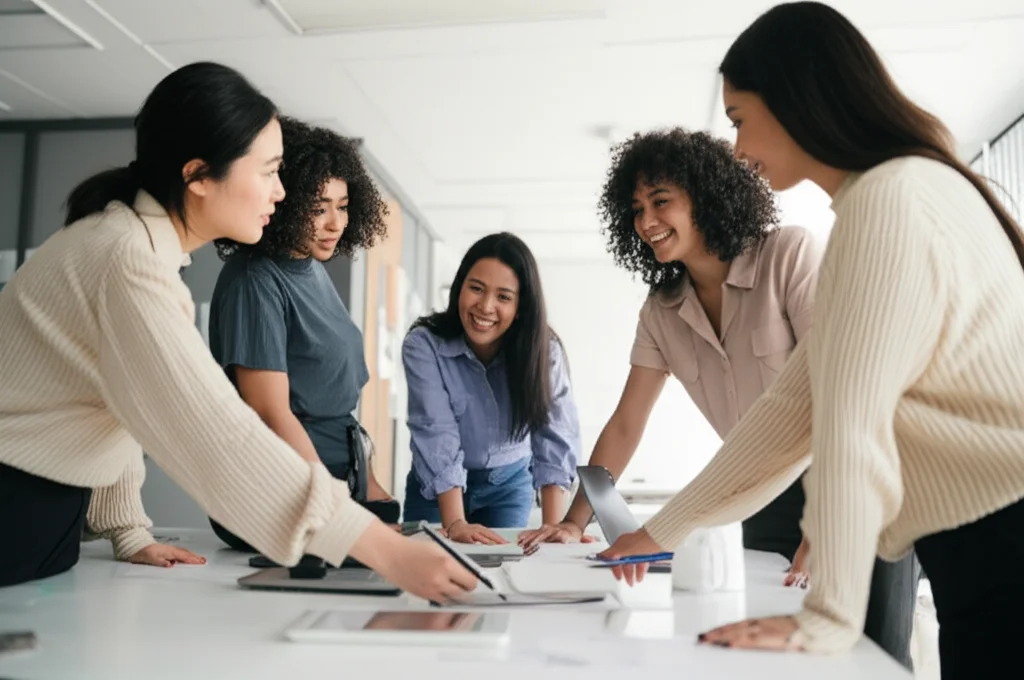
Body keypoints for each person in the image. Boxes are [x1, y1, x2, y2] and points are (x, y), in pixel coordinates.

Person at [598, 3, 1024, 678]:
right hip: (982, 539)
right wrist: (659, 532)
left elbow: (851, 427)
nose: (736, 148)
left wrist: (828, 619)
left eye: (739, 119)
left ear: (795, 95)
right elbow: (789, 414)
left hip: (1003, 537)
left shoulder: (887, 200)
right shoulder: (894, 191)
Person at [0, 61, 476, 604]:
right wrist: (384, 551)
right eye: (270, 171)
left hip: (47, 506)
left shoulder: (134, 247)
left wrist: (126, 528)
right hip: (16, 498)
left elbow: (112, 400)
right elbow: (221, 436)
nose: (280, 193)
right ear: (199, 176)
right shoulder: (126, 262)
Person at [517, 127, 920, 668]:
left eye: (661, 201)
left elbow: (841, 392)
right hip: (761, 496)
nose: (646, 222)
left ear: (706, 196)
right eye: (636, 209)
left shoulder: (790, 256)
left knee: (872, 658)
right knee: (772, 653)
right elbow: (626, 423)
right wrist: (574, 520)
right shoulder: (661, 310)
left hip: (860, 481)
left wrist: (828, 519)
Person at [206, 116, 394, 552]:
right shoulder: (256, 280)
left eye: (343, 206)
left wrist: (373, 492)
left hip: (337, 485)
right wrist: (339, 511)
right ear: (284, 202)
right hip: (281, 495)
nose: (335, 223)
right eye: (318, 207)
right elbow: (272, 414)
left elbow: (337, 414)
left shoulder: (310, 268)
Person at [401, 232, 581, 544]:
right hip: (433, 488)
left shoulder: (544, 351)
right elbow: (435, 429)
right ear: (460, 287)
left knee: (505, 568)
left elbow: (554, 436)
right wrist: (455, 522)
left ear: (521, 306)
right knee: (431, 565)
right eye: (476, 289)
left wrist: (554, 528)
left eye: (504, 297)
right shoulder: (424, 344)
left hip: (507, 486)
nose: (485, 307)